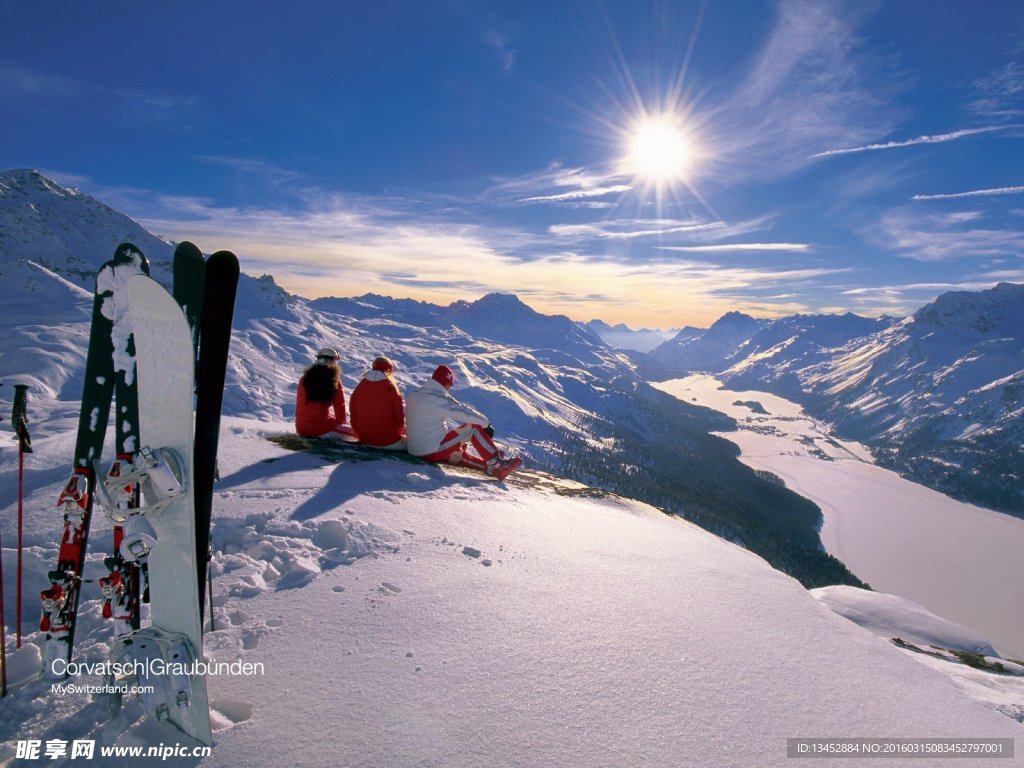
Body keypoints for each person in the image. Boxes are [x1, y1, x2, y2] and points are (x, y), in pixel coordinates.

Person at [406, 364, 522, 480]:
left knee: (456, 453)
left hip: (414, 448)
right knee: (473, 428)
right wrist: (486, 424)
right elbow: (464, 412)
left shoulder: (415, 394)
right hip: (430, 451)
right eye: (451, 385)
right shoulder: (440, 400)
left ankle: (489, 467)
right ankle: (498, 465)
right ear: (447, 383)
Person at [294, 348, 357, 440]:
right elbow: (339, 405)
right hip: (322, 429)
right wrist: (340, 424)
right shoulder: (333, 380)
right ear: (332, 361)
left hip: (301, 428)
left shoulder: (304, 379)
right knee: (358, 435)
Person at [349, 355, 407, 450]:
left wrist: (358, 430)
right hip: (388, 441)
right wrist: (399, 431)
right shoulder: (390, 387)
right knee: (414, 444)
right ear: (389, 370)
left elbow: (353, 409)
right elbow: (399, 413)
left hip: (365, 438)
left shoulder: (361, 385)